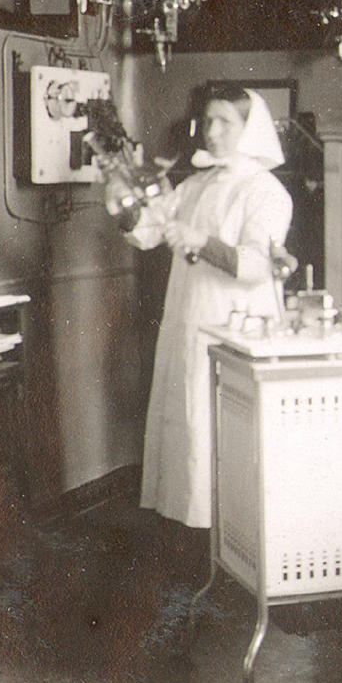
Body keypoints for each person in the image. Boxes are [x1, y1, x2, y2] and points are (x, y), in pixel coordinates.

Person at [125, 82, 293, 529]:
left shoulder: (265, 191)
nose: (212, 132)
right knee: (189, 423)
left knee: (222, 429)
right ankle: (194, 532)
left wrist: (201, 241)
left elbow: (256, 264)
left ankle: (232, 535)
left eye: (225, 123)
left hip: (232, 326)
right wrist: (121, 196)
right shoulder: (196, 185)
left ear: (249, 129)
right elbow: (146, 232)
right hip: (189, 318)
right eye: (208, 121)